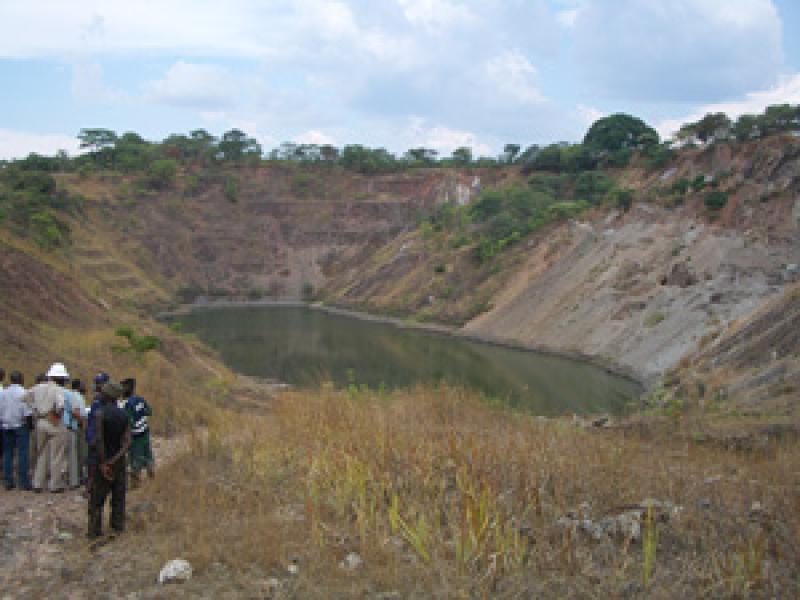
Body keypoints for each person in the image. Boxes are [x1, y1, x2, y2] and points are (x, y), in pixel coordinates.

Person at [88, 382, 130, 539]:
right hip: (119, 462)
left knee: (97, 499)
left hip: (102, 462)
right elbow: (127, 441)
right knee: (119, 496)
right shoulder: (124, 415)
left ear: (107, 396)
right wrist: (116, 459)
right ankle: (117, 526)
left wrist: (104, 462)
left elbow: (99, 440)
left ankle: (94, 531)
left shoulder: (100, 414)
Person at [26, 363, 71, 492]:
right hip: (54, 422)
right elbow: (60, 406)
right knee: (57, 455)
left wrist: (36, 410)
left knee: (41, 453)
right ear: (61, 379)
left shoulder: (37, 387)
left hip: (40, 422)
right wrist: (55, 415)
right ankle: (54, 485)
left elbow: (25, 398)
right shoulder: (58, 390)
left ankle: (37, 483)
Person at [0, 371, 32, 490]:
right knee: (22, 453)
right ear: (21, 379)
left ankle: (8, 481)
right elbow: (27, 413)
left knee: (7, 453)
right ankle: (23, 482)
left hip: (6, 425)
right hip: (20, 425)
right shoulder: (24, 393)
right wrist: (30, 426)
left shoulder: (4, 393)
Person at [121, 378, 154, 485]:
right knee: (147, 452)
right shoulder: (140, 399)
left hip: (135, 435)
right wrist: (141, 415)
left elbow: (128, 422)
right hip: (145, 430)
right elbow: (149, 411)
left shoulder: (127, 405)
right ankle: (151, 470)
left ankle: (135, 482)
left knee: (135, 457)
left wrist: (126, 437)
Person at [85, 372, 109, 496]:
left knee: (100, 462)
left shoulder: (107, 401)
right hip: (93, 436)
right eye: (97, 382)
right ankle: (91, 486)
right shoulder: (96, 400)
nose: (97, 385)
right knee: (92, 463)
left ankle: (95, 487)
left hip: (101, 437)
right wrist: (89, 436)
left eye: (100, 383)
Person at [64, 379, 87, 488]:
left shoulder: (77, 396)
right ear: (78, 386)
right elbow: (76, 412)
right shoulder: (76, 396)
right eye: (83, 385)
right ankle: (77, 477)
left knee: (77, 453)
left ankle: (77, 475)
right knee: (79, 452)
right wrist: (82, 422)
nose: (85, 387)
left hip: (76, 425)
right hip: (77, 426)